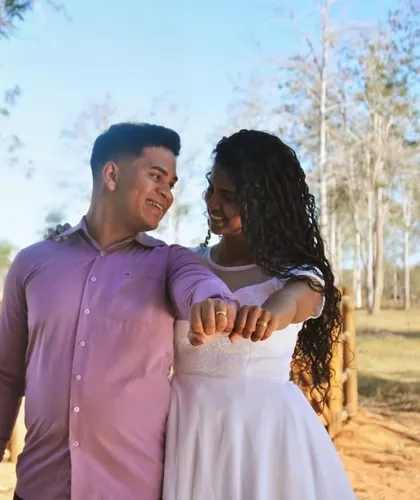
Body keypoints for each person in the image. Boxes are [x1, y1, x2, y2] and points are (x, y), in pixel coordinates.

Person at [48, 129, 356, 499]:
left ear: (264, 203)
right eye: (212, 189)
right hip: (188, 428)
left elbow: (292, 303)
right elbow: (113, 275)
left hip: (263, 434)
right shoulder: (183, 265)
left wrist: (267, 315)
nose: (212, 202)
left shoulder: (297, 276)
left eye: (229, 197)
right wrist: (71, 243)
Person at [0, 122, 241, 500]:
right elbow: (3, 375)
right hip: (39, 489)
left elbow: (200, 285)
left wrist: (213, 302)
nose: (167, 194)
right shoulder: (32, 263)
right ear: (111, 174)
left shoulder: (170, 262)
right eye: (156, 176)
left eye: (172, 184)